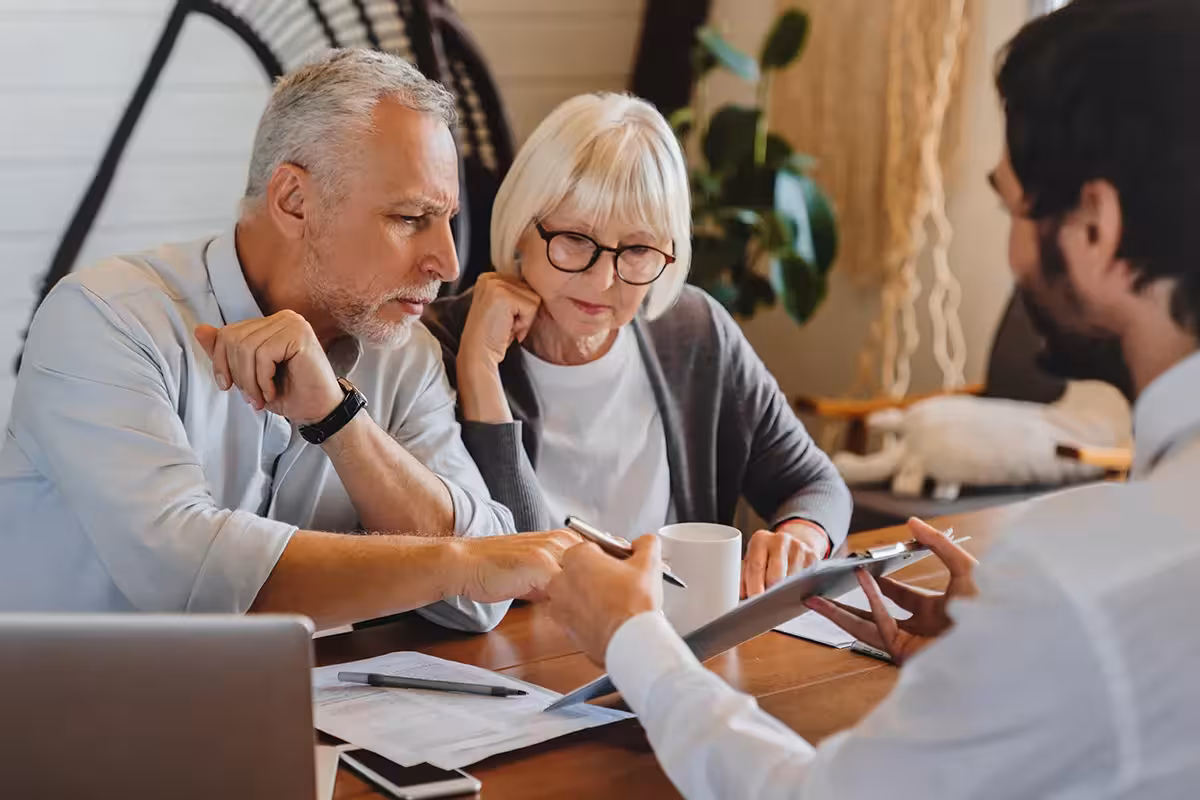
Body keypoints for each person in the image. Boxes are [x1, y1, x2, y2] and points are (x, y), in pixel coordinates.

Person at [545, 0, 1200, 796]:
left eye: (1011, 206)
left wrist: (632, 640)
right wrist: (993, 670)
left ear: (1094, 226)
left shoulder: (1085, 578)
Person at [0, 49, 579, 632]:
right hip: (74, 715)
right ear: (293, 200)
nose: (448, 262)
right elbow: (186, 579)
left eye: (446, 219)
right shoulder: (104, 319)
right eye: (409, 218)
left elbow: (481, 601)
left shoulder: (404, 352)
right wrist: (456, 563)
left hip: (304, 712)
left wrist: (340, 421)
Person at [424, 93, 851, 597]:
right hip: (518, 659)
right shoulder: (441, 343)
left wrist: (801, 535)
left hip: (670, 647)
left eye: (639, 249)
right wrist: (479, 374)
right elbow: (508, 566)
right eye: (576, 239)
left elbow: (817, 486)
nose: (603, 279)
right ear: (521, 227)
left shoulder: (692, 331)